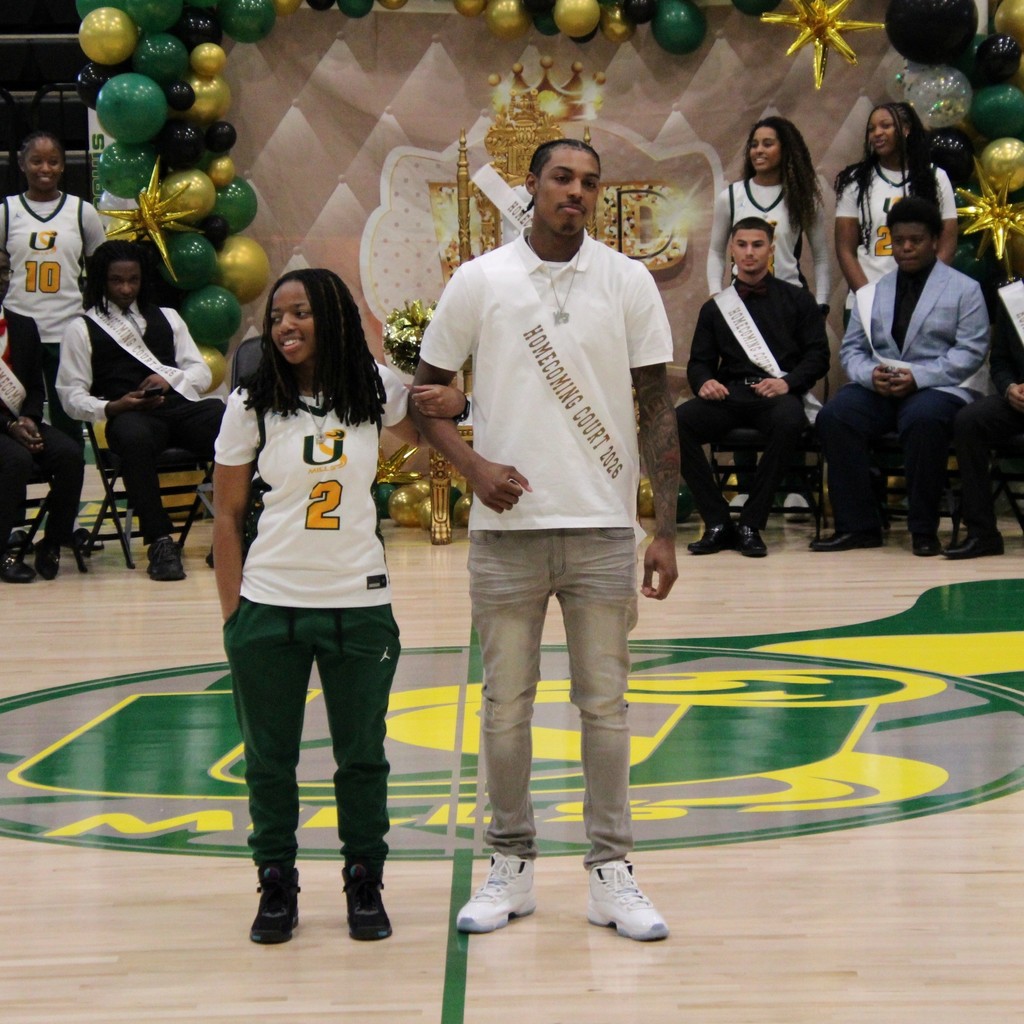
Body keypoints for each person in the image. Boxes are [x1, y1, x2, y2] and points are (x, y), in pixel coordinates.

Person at [410, 138, 680, 942]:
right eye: (562, 178)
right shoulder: (480, 280)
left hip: (602, 528)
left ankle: (610, 872)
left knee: (606, 709)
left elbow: (658, 408)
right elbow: (426, 398)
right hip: (507, 533)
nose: (577, 193)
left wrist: (663, 526)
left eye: (589, 183)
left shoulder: (627, 281)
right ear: (531, 186)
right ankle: (510, 865)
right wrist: (472, 467)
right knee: (504, 711)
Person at [212, 268, 462, 945]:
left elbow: (429, 426)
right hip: (270, 607)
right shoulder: (249, 402)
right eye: (277, 317)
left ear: (332, 317)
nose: (286, 327)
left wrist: (454, 395)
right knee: (269, 757)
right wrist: (235, 618)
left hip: (359, 604)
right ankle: (276, 881)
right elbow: (228, 516)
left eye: (300, 313)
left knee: (362, 756)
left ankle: (363, 878)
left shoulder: (373, 389)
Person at [812, 198, 989, 556]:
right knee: (835, 416)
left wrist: (917, 377)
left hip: (942, 386)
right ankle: (859, 526)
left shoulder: (964, 288)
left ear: (935, 239)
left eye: (916, 240)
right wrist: (869, 375)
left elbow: (971, 352)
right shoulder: (874, 291)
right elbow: (852, 351)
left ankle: (923, 529)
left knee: (921, 418)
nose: (906, 247)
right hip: (882, 385)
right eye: (899, 240)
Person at [56, 240, 224, 581]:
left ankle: (232, 536)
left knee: (230, 421)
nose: (126, 288)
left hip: (178, 407)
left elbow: (201, 372)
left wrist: (167, 377)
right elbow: (70, 396)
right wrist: (111, 406)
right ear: (102, 280)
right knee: (133, 438)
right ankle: (160, 542)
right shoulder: (81, 329)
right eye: (117, 280)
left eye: (133, 279)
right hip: (130, 416)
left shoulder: (169, 318)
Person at [680, 217, 829, 557]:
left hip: (776, 395)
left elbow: (818, 357)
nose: (749, 253)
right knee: (676, 425)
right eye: (742, 245)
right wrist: (704, 382)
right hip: (731, 394)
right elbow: (698, 362)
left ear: (772, 249)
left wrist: (787, 383)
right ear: (731, 249)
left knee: (790, 422)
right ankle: (717, 522)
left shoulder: (798, 301)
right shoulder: (716, 307)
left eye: (757, 245)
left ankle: (751, 523)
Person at [1, 131, 107, 449]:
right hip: (17, 332)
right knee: (14, 422)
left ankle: (67, 494)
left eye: (53, 161)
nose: (44, 168)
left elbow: (101, 270)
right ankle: (15, 496)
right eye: (36, 161)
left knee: (68, 423)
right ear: (22, 164)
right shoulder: (6, 211)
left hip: (67, 329)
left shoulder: (81, 211)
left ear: (62, 166)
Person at [0, 245, 84, 583]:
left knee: (69, 454)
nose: (0, 279)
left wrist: (30, 418)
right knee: (16, 460)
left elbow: (36, 386)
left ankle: (52, 542)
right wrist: (9, 426)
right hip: (4, 427)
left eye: (4, 271)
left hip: (21, 420)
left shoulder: (23, 325)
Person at [834, 102, 957, 308]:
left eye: (885, 126)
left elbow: (948, 243)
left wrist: (927, 290)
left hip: (922, 297)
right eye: (871, 129)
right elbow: (845, 249)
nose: (877, 133)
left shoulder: (935, 177)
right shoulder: (856, 181)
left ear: (906, 130)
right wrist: (867, 296)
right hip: (868, 297)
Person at [707, 116, 830, 311]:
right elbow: (715, 251)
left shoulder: (803, 198)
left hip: (790, 303)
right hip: (741, 305)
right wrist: (715, 293)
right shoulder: (730, 197)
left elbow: (821, 256)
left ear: (786, 149)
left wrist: (822, 302)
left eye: (768, 144)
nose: (759, 151)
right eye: (754, 145)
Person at [945, 290, 1024, 559]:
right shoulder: (1016, 297)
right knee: (970, 420)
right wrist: (1010, 388)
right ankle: (982, 534)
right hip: (1020, 401)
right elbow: (1000, 360)